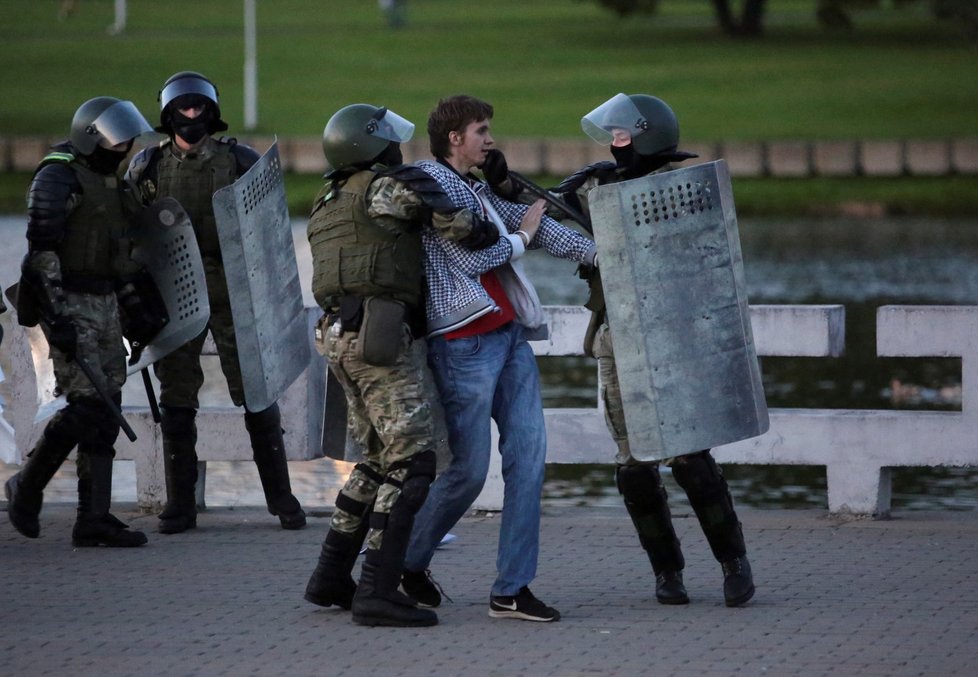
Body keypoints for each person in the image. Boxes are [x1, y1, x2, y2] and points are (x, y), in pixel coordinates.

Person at [399, 95, 598, 623]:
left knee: (529, 463)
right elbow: (475, 256)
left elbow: (532, 221)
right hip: (462, 344)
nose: (490, 140)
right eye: (481, 131)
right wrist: (525, 234)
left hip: (508, 339)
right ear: (454, 138)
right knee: (467, 471)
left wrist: (606, 255)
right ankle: (402, 563)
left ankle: (511, 589)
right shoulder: (431, 183)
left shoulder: (475, 187)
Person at [553, 92, 755, 607]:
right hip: (617, 338)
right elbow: (539, 217)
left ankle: (734, 563)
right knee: (634, 465)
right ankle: (667, 572)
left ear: (646, 135)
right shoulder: (598, 184)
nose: (615, 145)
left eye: (623, 135)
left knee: (690, 457)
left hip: (678, 334)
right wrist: (504, 180)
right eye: (613, 136)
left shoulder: (684, 189)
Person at [302, 102, 499, 627]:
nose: (397, 146)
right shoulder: (387, 186)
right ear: (371, 145)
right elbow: (464, 229)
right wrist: (492, 208)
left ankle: (329, 577)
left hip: (338, 336)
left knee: (373, 461)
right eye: (388, 139)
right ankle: (377, 591)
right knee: (413, 464)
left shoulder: (328, 196)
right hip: (383, 339)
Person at [125, 71, 306, 533]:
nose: (191, 115)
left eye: (197, 106)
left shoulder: (241, 160)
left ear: (211, 112)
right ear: (168, 114)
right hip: (176, 295)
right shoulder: (146, 167)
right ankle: (180, 504)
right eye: (182, 107)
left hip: (235, 293)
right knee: (177, 397)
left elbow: (269, 231)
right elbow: (131, 232)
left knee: (257, 392)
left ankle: (281, 499)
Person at [5, 96, 158, 547]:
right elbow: (41, 255)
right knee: (87, 404)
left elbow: (122, 250)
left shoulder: (109, 181)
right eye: (118, 141)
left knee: (106, 408)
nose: (124, 148)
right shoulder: (58, 176)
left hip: (105, 301)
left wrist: (139, 309)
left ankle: (94, 518)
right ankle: (27, 487)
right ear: (92, 137)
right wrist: (57, 318)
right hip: (68, 300)